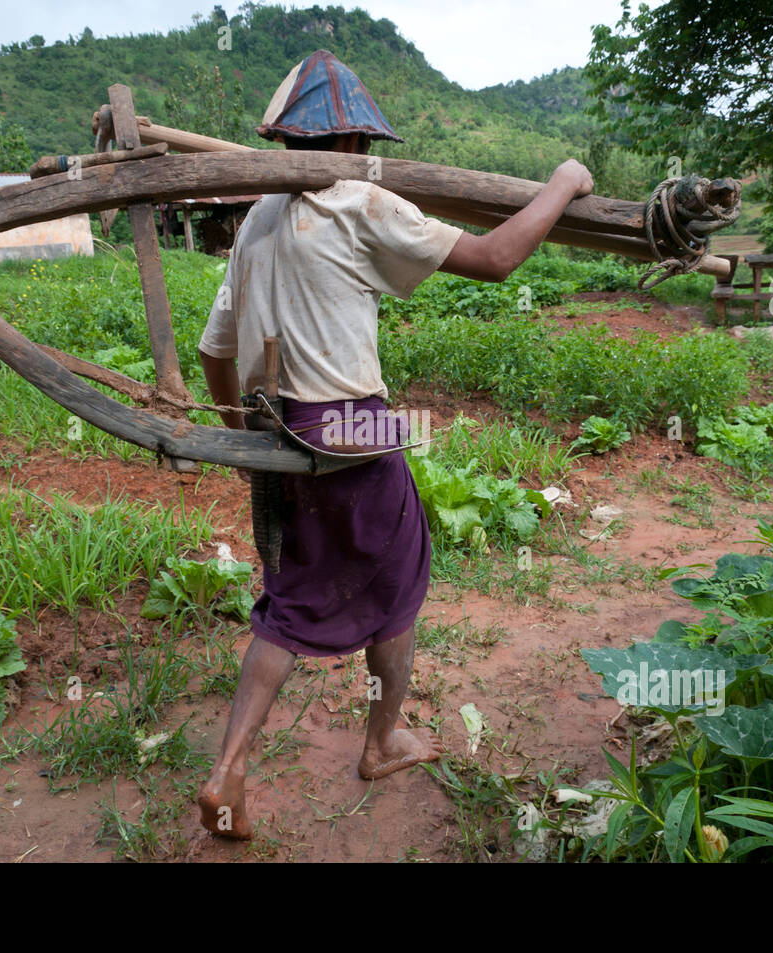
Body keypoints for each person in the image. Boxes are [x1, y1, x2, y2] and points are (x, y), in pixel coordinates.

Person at [196, 50, 593, 840]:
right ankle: (381, 741)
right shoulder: (361, 202)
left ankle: (228, 767)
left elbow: (215, 348)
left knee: (288, 601)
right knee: (401, 578)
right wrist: (564, 182)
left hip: (278, 429)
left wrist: (240, 427)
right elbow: (494, 257)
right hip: (351, 427)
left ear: (287, 140)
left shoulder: (257, 222)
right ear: (352, 145)